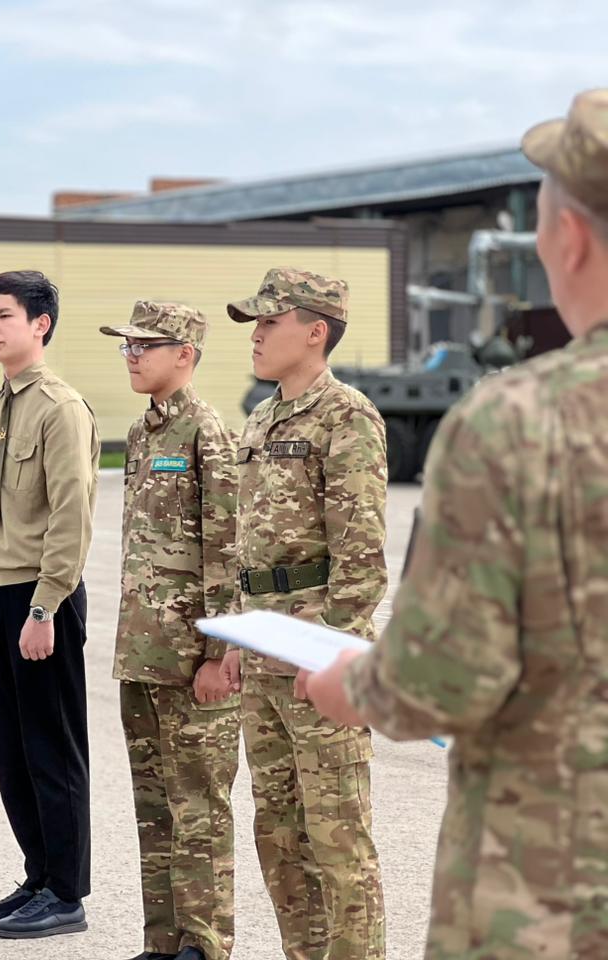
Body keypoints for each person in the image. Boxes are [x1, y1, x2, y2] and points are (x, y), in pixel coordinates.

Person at [306, 88, 608, 960]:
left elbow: (441, 681)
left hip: (554, 896)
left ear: (568, 239)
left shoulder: (518, 421)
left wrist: (353, 684)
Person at [219, 268, 387, 960]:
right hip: (262, 652)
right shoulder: (261, 419)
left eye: (269, 322)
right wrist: (236, 634)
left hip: (317, 653)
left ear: (316, 332)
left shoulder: (348, 417)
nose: (256, 335)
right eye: (255, 323)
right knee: (281, 835)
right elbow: (247, 542)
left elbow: (362, 556)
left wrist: (333, 653)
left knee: (337, 836)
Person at [101, 301, 241, 960]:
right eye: (126, 346)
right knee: (154, 806)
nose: (131, 357)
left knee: (200, 809)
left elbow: (228, 551)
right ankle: (163, 941)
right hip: (143, 654)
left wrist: (220, 653)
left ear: (184, 355)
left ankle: (205, 945)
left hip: (191, 662)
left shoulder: (206, 432)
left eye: (144, 346)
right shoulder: (141, 433)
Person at [0, 269, 100, 939]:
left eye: (4, 316)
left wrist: (44, 608)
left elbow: (72, 517)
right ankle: (39, 875)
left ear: (40, 324)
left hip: (44, 597)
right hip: (0, 594)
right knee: (12, 750)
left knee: (52, 748)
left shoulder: (60, 408)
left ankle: (67, 893)